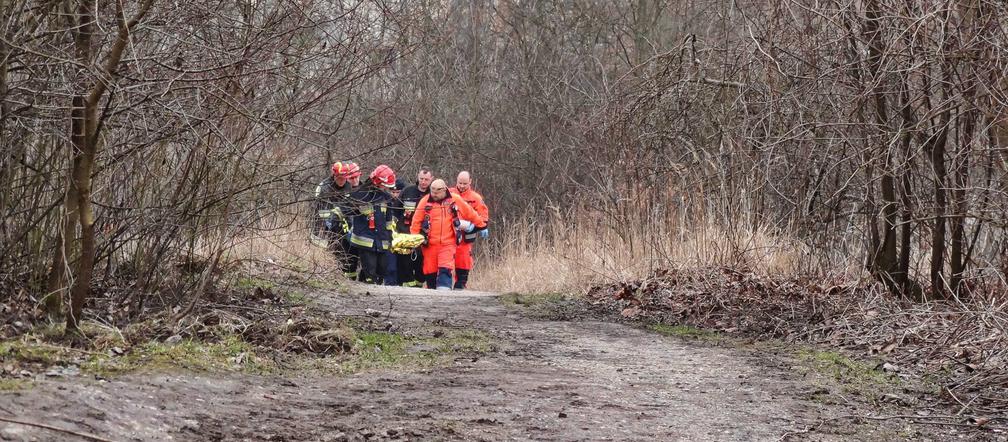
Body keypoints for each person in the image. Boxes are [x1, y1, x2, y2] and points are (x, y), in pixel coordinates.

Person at [409, 179, 486, 290]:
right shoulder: (425, 202)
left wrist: (481, 225)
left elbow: (470, 213)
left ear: (444, 190)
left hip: (448, 244)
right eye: (432, 192)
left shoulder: (454, 200)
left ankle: (444, 294)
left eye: (437, 192)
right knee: (430, 275)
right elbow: (416, 223)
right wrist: (413, 242)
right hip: (430, 245)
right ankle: (433, 296)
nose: (434, 195)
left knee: (445, 270)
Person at [346, 165, 397, 284]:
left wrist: (390, 238)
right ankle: (369, 293)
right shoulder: (360, 194)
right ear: (377, 181)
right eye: (385, 185)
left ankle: (365, 283)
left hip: (382, 241)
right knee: (371, 271)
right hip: (365, 240)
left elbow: (389, 221)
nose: (386, 188)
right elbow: (346, 210)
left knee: (382, 270)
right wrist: (358, 209)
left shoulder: (386, 198)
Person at [313, 161, 361, 279]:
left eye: (344, 178)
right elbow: (319, 212)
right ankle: (332, 275)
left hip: (348, 227)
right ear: (333, 175)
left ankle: (351, 278)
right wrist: (321, 230)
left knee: (350, 254)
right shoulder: (324, 187)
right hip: (328, 228)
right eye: (339, 177)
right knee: (332, 252)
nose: (341, 180)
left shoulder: (350, 186)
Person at [449, 171, 489, 289]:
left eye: (465, 183)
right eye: (460, 183)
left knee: (463, 261)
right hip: (449, 233)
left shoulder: (475, 198)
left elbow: (483, 217)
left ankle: (460, 285)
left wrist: (478, 227)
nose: (462, 186)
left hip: (466, 235)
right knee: (444, 261)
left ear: (470, 182)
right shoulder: (449, 194)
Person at [396, 167, 433, 287]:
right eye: (421, 178)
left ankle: (418, 287)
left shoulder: (434, 195)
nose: (423, 182)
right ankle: (408, 287)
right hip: (406, 234)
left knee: (421, 267)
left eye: (426, 179)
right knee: (405, 265)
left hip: (424, 236)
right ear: (418, 177)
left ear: (431, 179)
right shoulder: (407, 191)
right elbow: (396, 210)